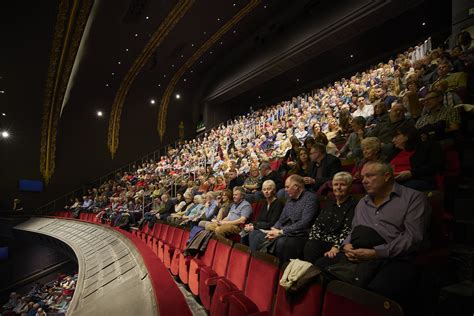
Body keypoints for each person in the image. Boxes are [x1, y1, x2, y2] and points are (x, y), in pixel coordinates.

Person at [337, 161, 431, 302]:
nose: (364, 181)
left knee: (374, 294)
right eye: (363, 177)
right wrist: (346, 245)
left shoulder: (414, 198)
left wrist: (376, 253)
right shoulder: (363, 202)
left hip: (394, 257)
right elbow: (354, 230)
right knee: (320, 267)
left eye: (369, 176)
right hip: (360, 252)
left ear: (387, 176)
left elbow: (412, 237)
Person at [248, 175, 318, 264]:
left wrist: (281, 232)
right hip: (284, 232)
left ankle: (279, 269)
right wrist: (274, 229)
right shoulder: (289, 200)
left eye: (287, 187)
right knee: (254, 234)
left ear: (296, 187)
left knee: (281, 242)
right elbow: (281, 219)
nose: (285, 189)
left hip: (299, 235)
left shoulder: (310, 198)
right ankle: (258, 265)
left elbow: (304, 223)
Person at [303, 172, 358, 266]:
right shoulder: (329, 203)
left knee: (322, 262)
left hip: (339, 244)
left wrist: (336, 247)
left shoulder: (354, 205)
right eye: (336, 184)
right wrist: (314, 240)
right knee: (309, 245)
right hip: (322, 240)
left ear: (349, 187)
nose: (338, 188)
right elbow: (317, 224)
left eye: (343, 184)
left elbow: (348, 230)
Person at [390, 125, 443, 191]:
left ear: (407, 136)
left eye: (396, 137)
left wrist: (411, 173)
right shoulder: (396, 151)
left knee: (399, 189)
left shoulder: (430, 146)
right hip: (398, 180)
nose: (393, 140)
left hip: (421, 180)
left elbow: (435, 166)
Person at [241, 180, 284, 246]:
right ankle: (246, 255)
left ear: (274, 190)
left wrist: (254, 227)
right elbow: (259, 219)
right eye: (264, 189)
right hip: (261, 228)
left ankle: (253, 255)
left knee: (252, 234)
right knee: (244, 232)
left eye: (269, 189)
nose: (266, 191)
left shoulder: (278, 203)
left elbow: (272, 223)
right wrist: (251, 224)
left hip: (271, 230)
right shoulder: (264, 203)